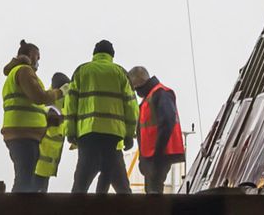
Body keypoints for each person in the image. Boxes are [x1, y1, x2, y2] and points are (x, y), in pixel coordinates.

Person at [67, 41, 137, 195]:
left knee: (80, 187)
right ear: (112, 55)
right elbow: (131, 107)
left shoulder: (81, 71)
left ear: (94, 54)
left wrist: (70, 132)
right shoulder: (120, 73)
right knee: (123, 189)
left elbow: (70, 105)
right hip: (112, 138)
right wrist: (129, 135)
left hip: (87, 136)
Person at [0, 41, 62, 194]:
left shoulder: (16, 73)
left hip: (21, 133)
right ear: (29, 55)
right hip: (23, 134)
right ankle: (17, 213)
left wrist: (46, 119)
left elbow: (31, 105)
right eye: (37, 57)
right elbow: (39, 97)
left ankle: (18, 212)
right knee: (24, 180)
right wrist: (59, 92)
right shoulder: (24, 71)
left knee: (25, 178)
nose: (38, 61)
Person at [127, 66, 186, 194]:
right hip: (150, 155)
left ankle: (155, 214)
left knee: (154, 192)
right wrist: (142, 158)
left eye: (136, 88)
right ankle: (153, 213)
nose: (136, 93)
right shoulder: (148, 99)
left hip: (159, 154)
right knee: (151, 191)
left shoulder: (161, 94)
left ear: (140, 84)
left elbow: (167, 122)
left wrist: (157, 155)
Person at [34, 72, 72, 191]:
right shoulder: (50, 103)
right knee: (33, 193)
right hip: (41, 161)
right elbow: (53, 122)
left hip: (48, 162)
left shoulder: (62, 100)